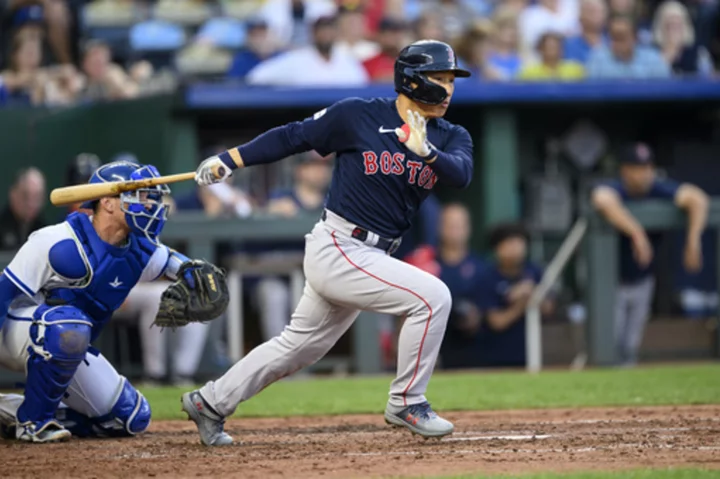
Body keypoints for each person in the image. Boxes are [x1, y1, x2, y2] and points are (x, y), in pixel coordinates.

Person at [183, 39, 474, 446]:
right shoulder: (358, 115)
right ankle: (407, 400)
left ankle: (210, 402)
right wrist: (230, 159)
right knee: (432, 298)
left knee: (297, 348)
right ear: (412, 81)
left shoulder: (450, 135)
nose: (448, 89)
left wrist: (425, 152)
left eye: (451, 80)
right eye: (439, 79)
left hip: (372, 253)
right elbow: (293, 137)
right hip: (340, 244)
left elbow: (460, 173)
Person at [0, 160, 226, 442]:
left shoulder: (138, 247)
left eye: (150, 196)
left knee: (130, 417)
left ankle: (10, 409)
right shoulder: (59, 242)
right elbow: (3, 293)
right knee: (68, 324)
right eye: (140, 195)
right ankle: (33, 422)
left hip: (69, 342)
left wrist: (192, 272)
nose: (149, 203)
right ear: (108, 203)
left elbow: (171, 261)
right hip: (13, 333)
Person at [591, 143, 708, 367]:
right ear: (625, 170)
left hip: (643, 278)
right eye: (637, 167)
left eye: (647, 167)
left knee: (631, 343)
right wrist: (637, 233)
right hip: (610, 280)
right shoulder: (616, 188)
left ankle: (626, 394)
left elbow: (698, 199)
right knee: (609, 341)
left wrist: (693, 242)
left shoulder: (659, 189)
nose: (644, 173)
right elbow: (602, 199)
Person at [476, 223, 554, 368]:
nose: (515, 248)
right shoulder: (487, 277)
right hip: (496, 356)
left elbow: (549, 308)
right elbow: (496, 322)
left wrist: (533, 294)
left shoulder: (535, 272)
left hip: (533, 352)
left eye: (519, 242)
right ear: (497, 248)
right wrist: (520, 303)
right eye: (509, 243)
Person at [246, 15, 368, 87]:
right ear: (313, 34)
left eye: (329, 30)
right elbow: (256, 77)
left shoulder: (347, 60)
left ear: (335, 33)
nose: (325, 35)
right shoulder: (297, 59)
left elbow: (362, 86)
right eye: (322, 31)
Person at [435, 203, 486, 370]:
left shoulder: (481, 267)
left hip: (473, 350)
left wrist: (474, 316)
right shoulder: (427, 263)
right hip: (434, 345)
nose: (454, 231)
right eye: (449, 225)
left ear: (468, 228)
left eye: (459, 225)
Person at [587, 14, 670, 78]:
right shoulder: (598, 60)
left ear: (635, 38)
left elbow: (666, 91)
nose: (617, 44)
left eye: (622, 38)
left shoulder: (653, 60)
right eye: (614, 38)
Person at [652, 0, 714, 76]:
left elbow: (708, 79)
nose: (674, 30)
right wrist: (670, 53)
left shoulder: (699, 53)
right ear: (661, 27)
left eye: (678, 25)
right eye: (670, 25)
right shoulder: (651, 54)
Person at [0, 167, 46, 251]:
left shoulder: (45, 232)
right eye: (25, 196)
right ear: (13, 193)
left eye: (37, 197)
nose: (31, 203)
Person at [518, 32, 585, 80]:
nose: (553, 51)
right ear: (540, 49)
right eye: (549, 47)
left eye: (556, 47)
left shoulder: (576, 70)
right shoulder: (528, 73)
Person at [362, 17, 409, 82]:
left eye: (397, 33)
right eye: (389, 34)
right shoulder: (368, 64)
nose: (394, 38)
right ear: (380, 36)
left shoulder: (412, 63)